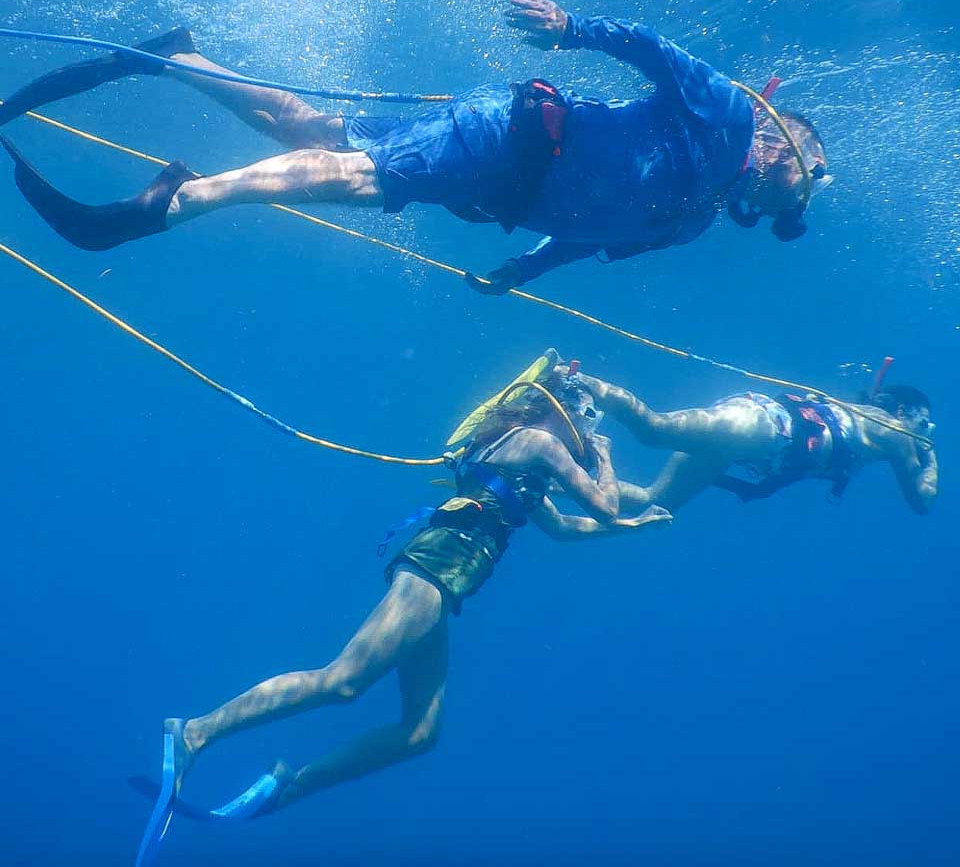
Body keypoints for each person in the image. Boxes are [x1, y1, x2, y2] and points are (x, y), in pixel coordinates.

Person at [131, 355, 670, 866]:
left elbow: (563, 527)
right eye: (588, 413)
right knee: (343, 681)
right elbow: (603, 500)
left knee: (419, 732)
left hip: (450, 578)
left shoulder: (523, 454)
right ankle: (195, 733)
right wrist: (603, 458)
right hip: (440, 565)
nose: (591, 423)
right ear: (563, 409)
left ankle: (287, 785)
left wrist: (626, 529)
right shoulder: (535, 441)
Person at [0, 0, 828, 291]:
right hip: (510, 133)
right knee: (361, 181)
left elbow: (591, 240)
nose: (795, 202)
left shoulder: (692, 222)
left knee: (310, 131)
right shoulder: (726, 114)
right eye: (809, 182)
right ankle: (178, 201)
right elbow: (651, 47)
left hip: (496, 189)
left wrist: (526, 268)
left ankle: (182, 57)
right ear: (788, 147)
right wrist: (573, 29)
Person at [573, 366, 938, 515]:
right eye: (925, 422)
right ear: (905, 412)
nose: (925, 431)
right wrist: (931, 458)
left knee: (655, 501)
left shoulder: (865, 417)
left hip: (751, 436)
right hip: (763, 428)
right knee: (654, 430)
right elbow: (921, 501)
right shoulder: (896, 433)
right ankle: (577, 381)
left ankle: (554, 477)